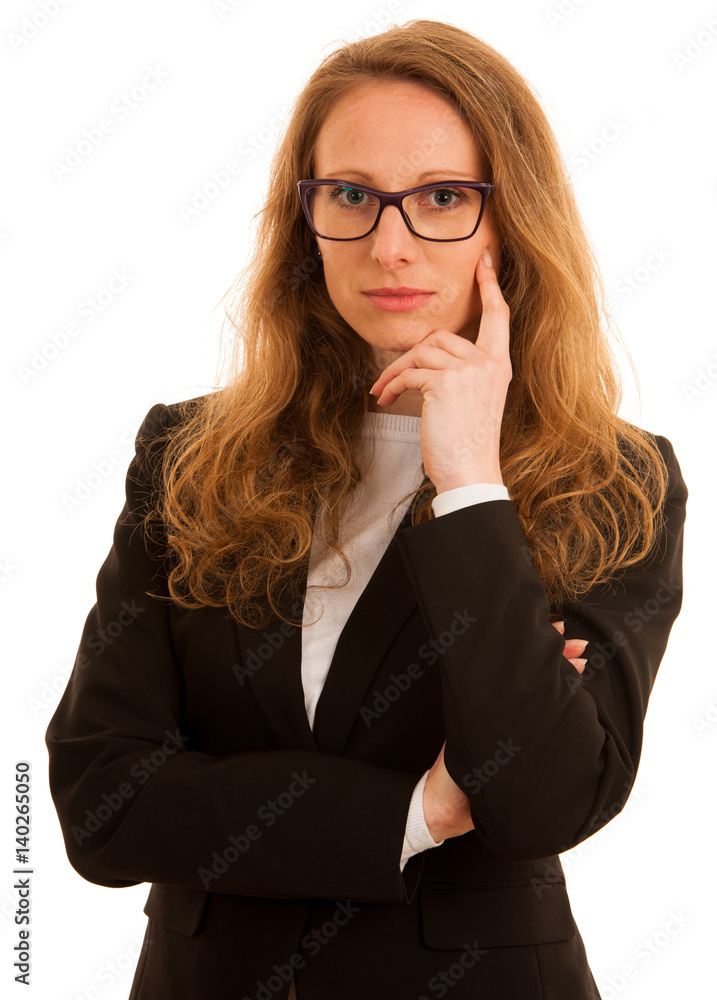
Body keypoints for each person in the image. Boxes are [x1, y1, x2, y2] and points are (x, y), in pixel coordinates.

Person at [45, 19, 687, 1000]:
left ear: (510, 221)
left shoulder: (612, 478)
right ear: (305, 220)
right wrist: (416, 811)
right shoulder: (187, 455)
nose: (390, 245)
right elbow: (101, 803)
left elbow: (542, 801)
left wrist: (470, 483)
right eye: (351, 195)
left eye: (441, 197)